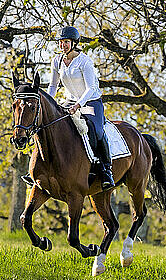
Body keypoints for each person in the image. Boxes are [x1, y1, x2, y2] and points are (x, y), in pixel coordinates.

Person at [47, 25, 115, 190]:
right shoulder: (56, 61)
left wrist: (78, 105)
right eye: (61, 42)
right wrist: (49, 102)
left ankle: (106, 170)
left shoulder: (84, 61)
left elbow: (90, 88)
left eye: (66, 42)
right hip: (70, 100)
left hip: (91, 101)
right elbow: (53, 85)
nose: (63, 45)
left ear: (74, 43)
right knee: (50, 123)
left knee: (95, 129)